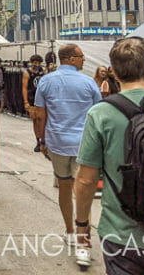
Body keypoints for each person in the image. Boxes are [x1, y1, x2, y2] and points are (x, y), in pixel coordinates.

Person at [74, 38, 144, 272]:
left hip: (120, 233)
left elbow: (86, 180)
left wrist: (82, 225)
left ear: (113, 71)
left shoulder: (100, 114)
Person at [34, 45, 101, 248]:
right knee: (83, 190)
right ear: (71, 59)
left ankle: (70, 231)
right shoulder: (89, 82)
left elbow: (39, 115)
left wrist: (41, 140)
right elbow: (98, 113)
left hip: (57, 143)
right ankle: (84, 235)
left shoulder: (46, 81)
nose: (83, 60)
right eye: (81, 56)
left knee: (64, 187)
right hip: (84, 145)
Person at [22, 54, 45, 152]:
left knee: (43, 120)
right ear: (32, 63)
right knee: (35, 121)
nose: (37, 64)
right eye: (35, 63)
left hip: (43, 99)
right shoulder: (27, 73)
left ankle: (44, 139)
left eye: (39, 63)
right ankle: (38, 140)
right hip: (32, 99)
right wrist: (26, 102)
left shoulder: (43, 72)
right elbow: (24, 88)